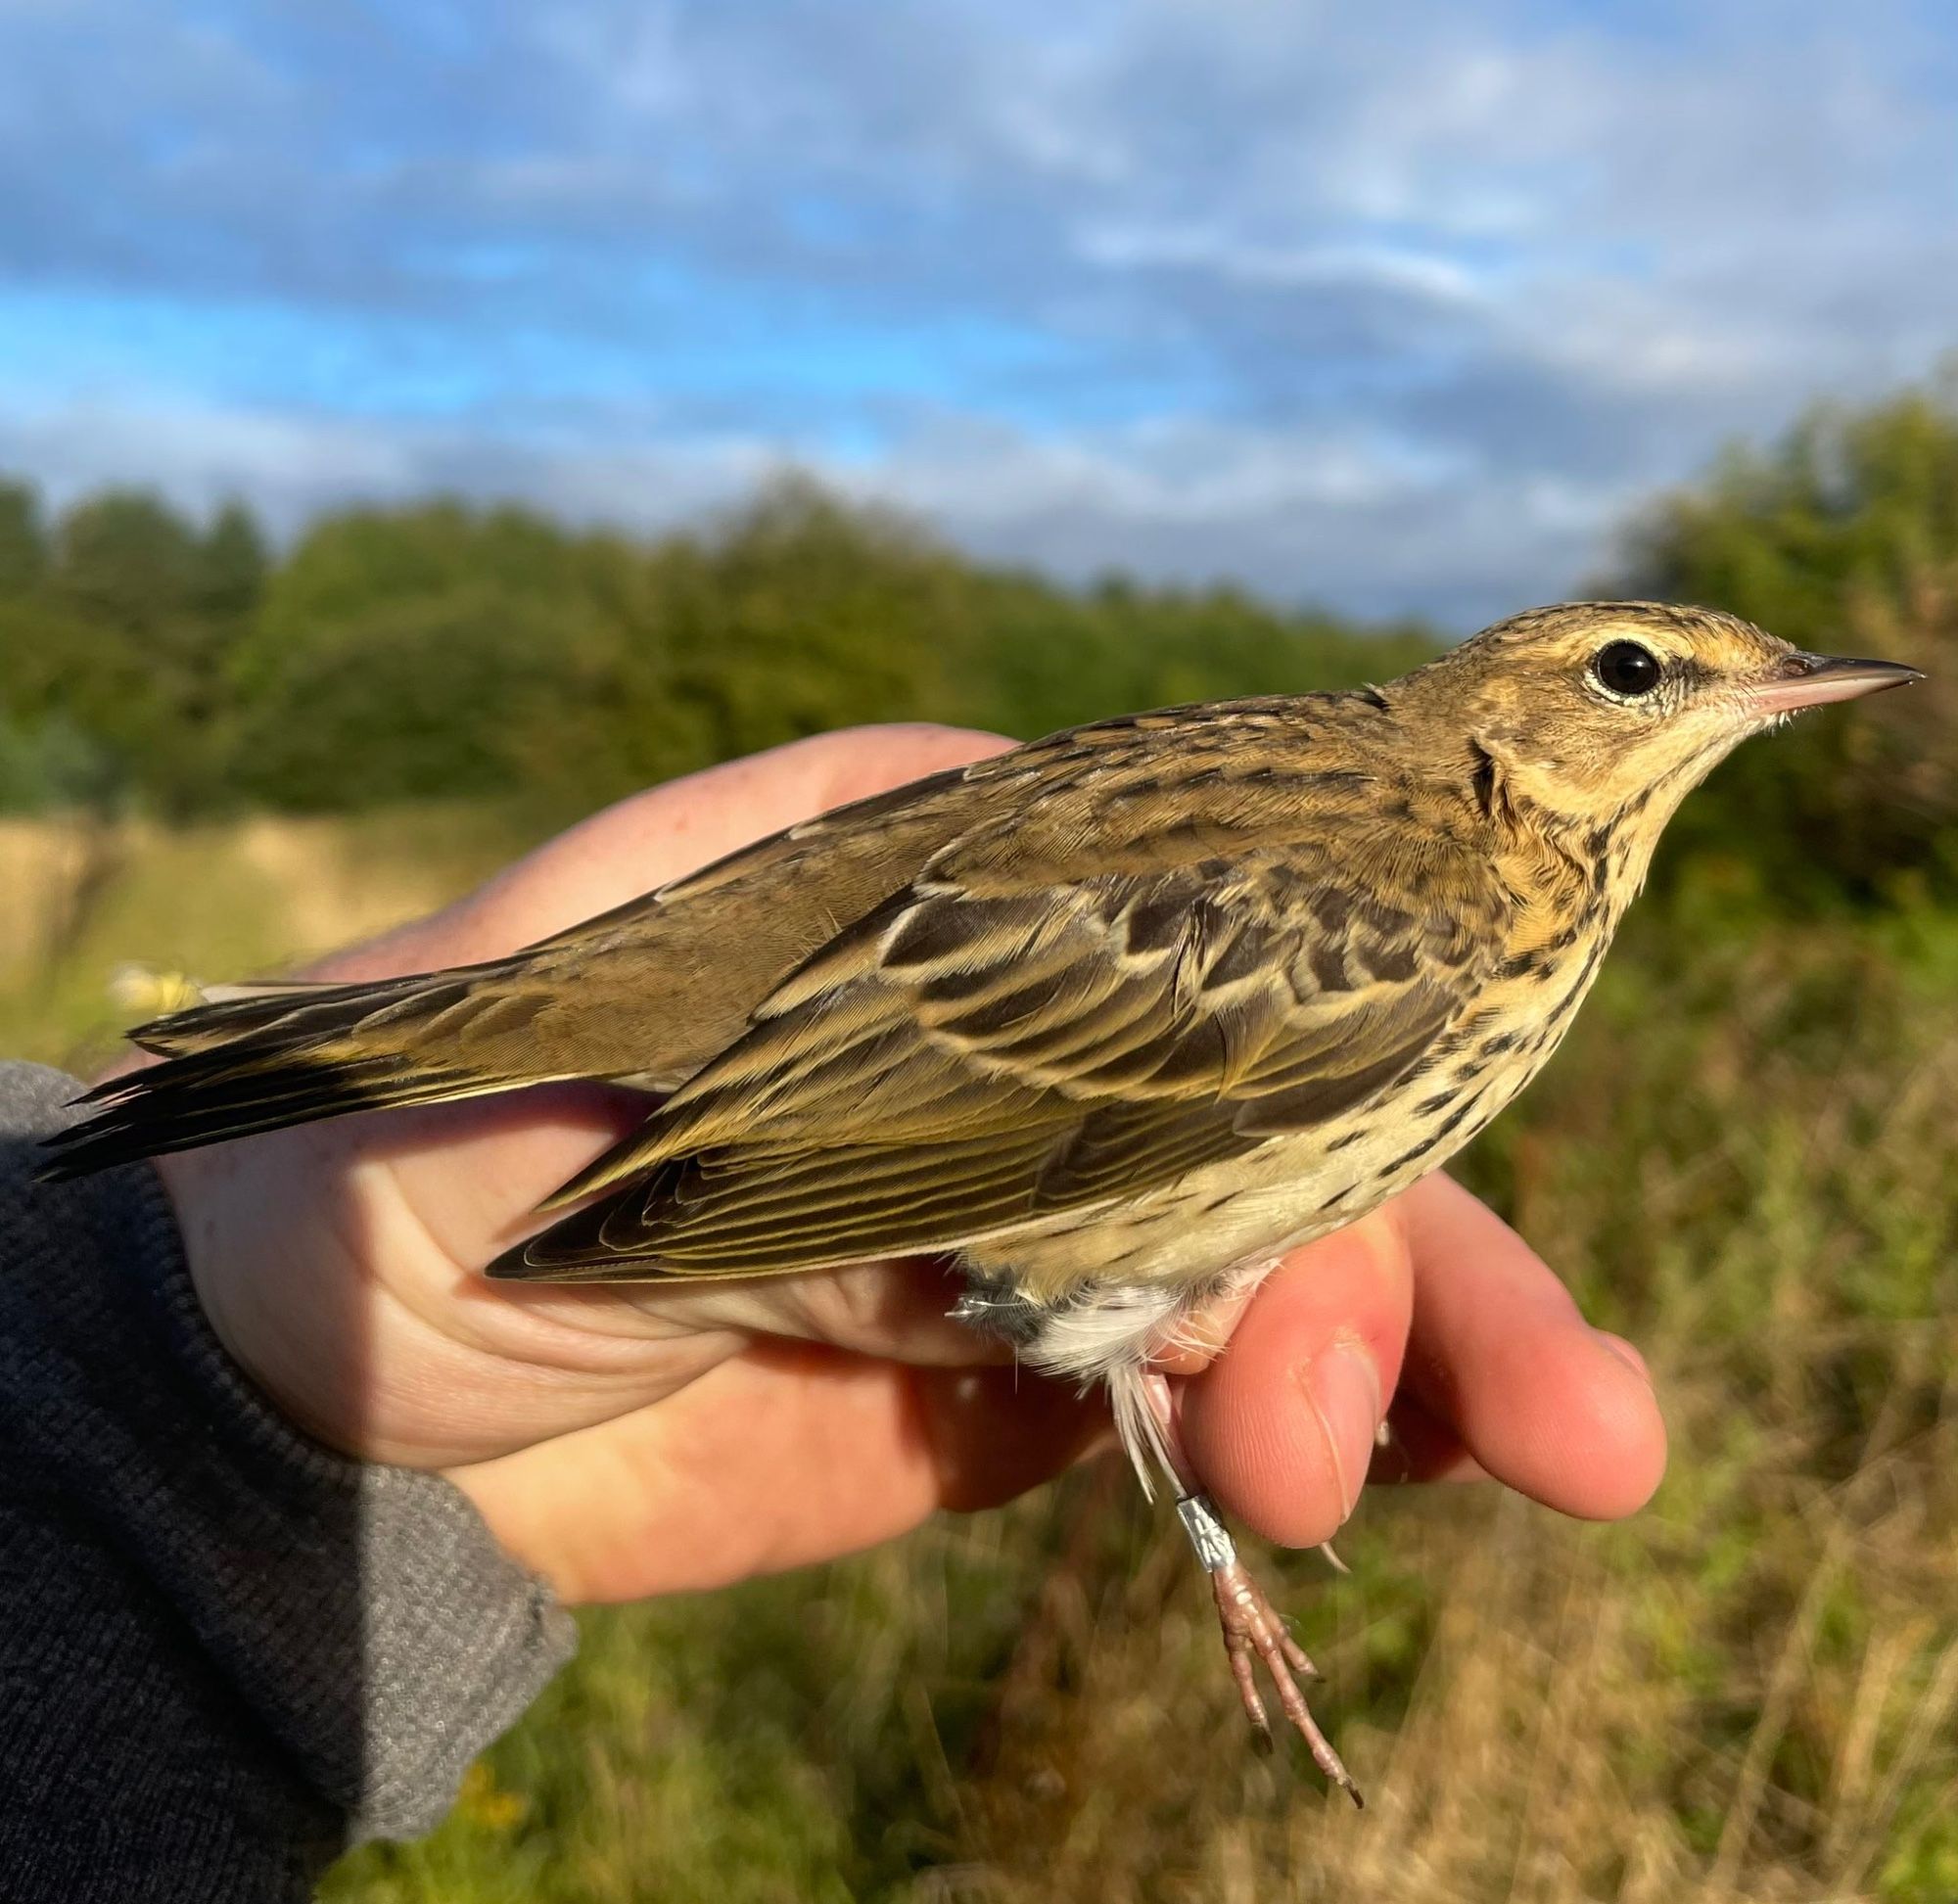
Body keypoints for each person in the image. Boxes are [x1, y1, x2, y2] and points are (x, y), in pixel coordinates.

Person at [0, 726, 1667, 1900]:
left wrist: (179, 1407)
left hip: (878, 1029)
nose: (1703, 705)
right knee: (1141, 1320)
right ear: (1508, 734)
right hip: (880, 1077)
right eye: (1634, 672)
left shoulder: (1453, 893)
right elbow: (1031, 1137)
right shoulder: (1433, 903)